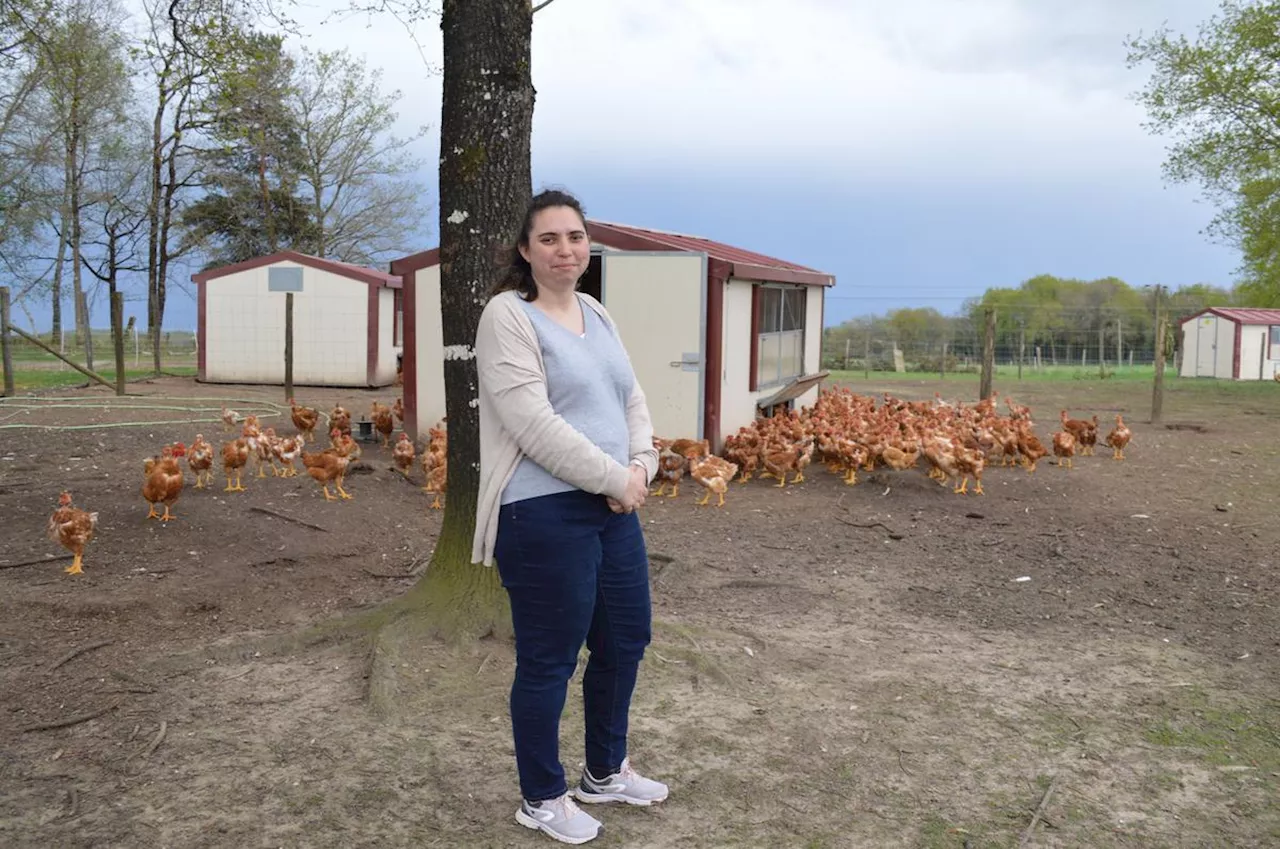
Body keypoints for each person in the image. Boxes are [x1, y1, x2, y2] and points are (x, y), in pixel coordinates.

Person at [472, 188, 668, 845]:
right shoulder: (508, 316)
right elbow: (532, 422)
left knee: (625, 639)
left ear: (589, 246)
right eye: (550, 238)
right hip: (543, 511)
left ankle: (605, 771)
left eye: (576, 237)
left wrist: (642, 466)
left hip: (614, 506)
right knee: (550, 658)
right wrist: (617, 478)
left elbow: (631, 397)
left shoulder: (596, 312)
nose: (566, 249)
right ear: (525, 251)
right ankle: (541, 794)